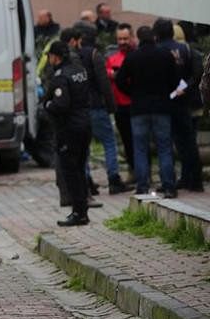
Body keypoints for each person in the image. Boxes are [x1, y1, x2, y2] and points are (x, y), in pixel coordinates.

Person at [116, 26, 179, 197]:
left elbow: (119, 80)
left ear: (138, 37)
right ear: (154, 37)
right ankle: (169, 186)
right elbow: (175, 81)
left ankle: (142, 186)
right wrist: (165, 92)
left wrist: (133, 93)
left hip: (139, 108)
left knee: (140, 148)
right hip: (162, 107)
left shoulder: (132, 57)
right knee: (164, 148)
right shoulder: (165, 55)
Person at [75, 24, 130, 195]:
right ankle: (114, 179)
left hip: (81, 108)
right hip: (97, 107)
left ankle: (86, 181)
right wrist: (111, 105)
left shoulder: (74, 56)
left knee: (85, 146)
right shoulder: (94, 55)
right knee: (109, 142)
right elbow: (104, 83)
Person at [43, 41, 91, 227]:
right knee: (80, 168)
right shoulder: (80, 70)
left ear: (56, 57)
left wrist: (48, 105)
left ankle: (78, 212)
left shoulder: (61, 77)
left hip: (69, 129)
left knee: (71, 171)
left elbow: (61, 104)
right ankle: (83, 209)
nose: (49, 60)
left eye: (50, 56)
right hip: (85, 125)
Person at [154, 19, 204, 192]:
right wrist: (185, 88)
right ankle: (194, 180)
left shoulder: (158, 51)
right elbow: (196, 74)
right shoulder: (186, 50)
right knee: (188, 141)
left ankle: (178, 179)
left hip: (165, 103)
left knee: (170, 143)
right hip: (184, 102)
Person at [106, 23, 136, 176]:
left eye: (125, 38)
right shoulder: (112, 59)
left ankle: (142, 172)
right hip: (120, 106)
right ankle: (133, 171)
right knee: (126, 142)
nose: (122, 42)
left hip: (135, 105)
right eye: (119, 39)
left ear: (132, 38)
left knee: (138, 141)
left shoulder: (135, 56)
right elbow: (106, 74)